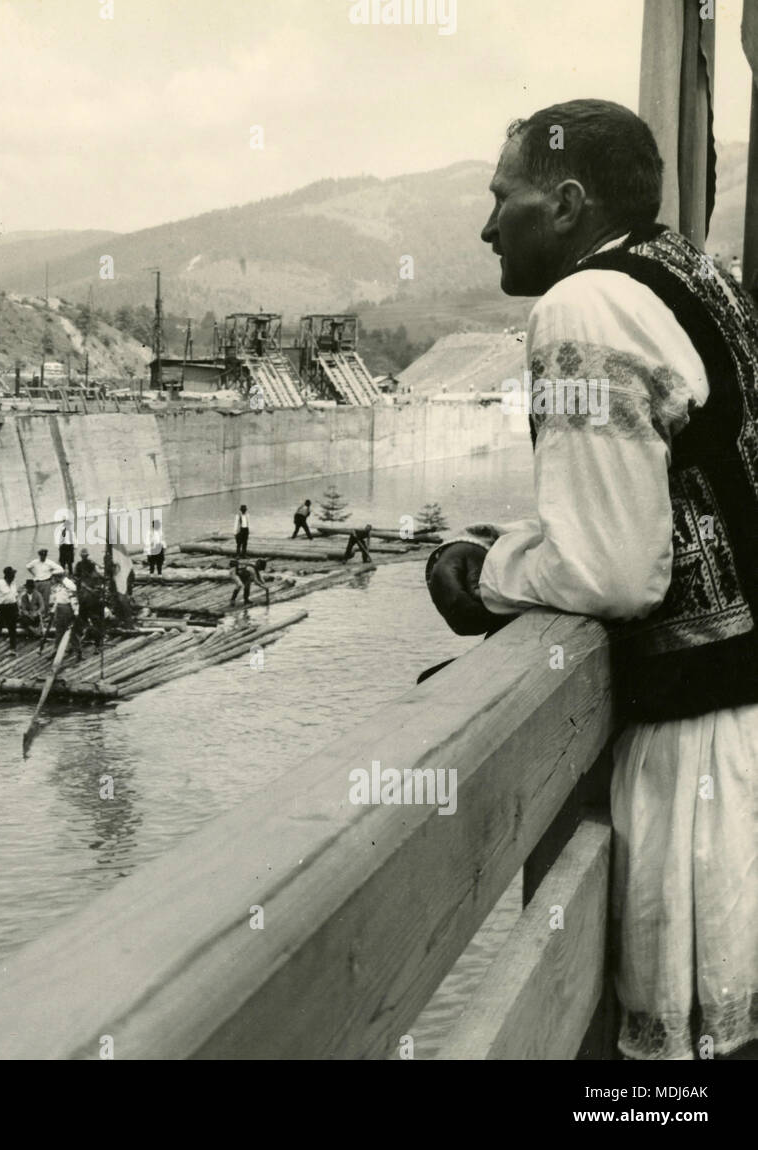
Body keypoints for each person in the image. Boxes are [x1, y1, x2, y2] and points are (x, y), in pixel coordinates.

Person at [428, 98, 757, 1061]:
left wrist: (481, 574)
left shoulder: (584, 306)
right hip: (742, 717)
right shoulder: (689, 269)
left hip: (700, 741)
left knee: (676, 1077)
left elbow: (612, 571)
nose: (488, 226)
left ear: (566, 202)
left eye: (504, 198)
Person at [48, 573, 83, 660]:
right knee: (59, 632)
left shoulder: (69, 586)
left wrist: (76, 612)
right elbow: (57, 600)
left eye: (56, 577)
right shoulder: (58, 587)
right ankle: (55, 651)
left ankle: (78, 652)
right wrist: (53, 610)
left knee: (71, 632)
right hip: (59, 611)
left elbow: (74, 600)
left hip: (67, 610)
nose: (54, 579)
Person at [0, 566, 20, 655]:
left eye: (14, 574)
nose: (14, 576)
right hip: (1, 608)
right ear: (7, 575)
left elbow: (15, 597)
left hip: (12, 608)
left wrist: (18, 608)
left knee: (12, 629)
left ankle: (13, 649)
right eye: (12, 574)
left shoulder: (14, 583)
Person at [26, 548, 63, 613]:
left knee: (46, 599)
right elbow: (28, 567)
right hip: (37, 582)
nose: (43, 557)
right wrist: (33, 573)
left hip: (46, 582)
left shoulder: (49, 562)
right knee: (36, 598)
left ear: (46, 555)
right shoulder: (35, 562)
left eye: (44, 555)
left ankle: (45, 614)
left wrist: (51, 573)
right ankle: (36, 613)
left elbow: (60, 569)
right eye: (41, 555)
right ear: (39, 555)